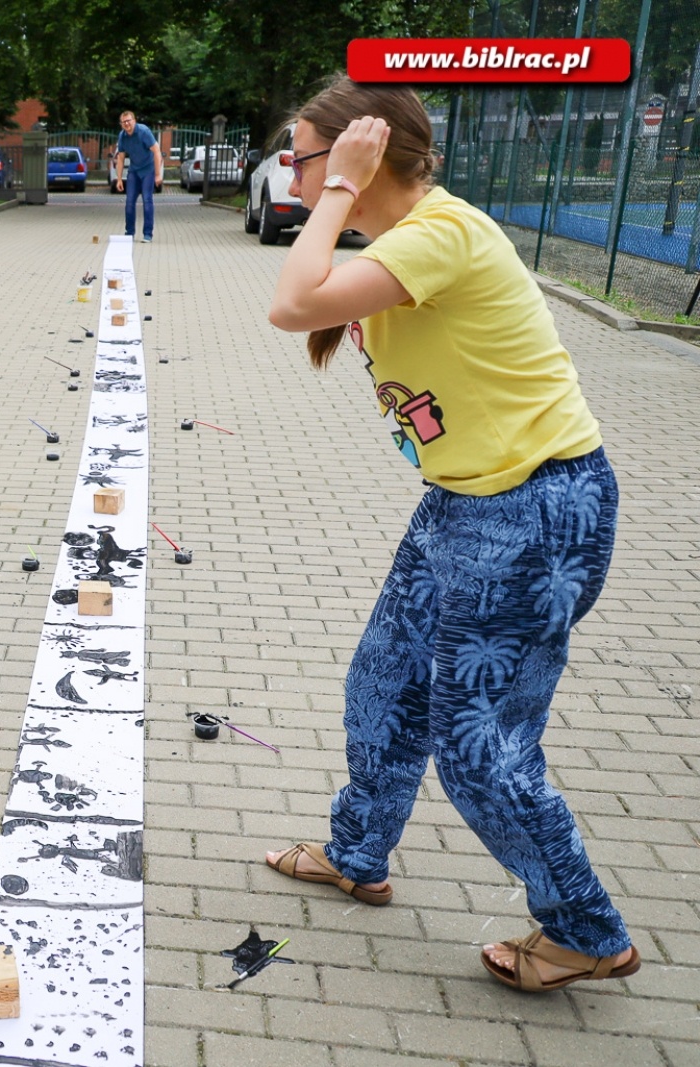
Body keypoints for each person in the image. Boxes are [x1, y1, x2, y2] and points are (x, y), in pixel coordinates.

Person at [263, 74, 638, 994]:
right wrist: (340, 191)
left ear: (360, 153)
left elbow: (290, 302)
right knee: (383, 682)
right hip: (462, 504)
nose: (289, 175)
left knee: (479, 747)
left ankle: (588, 929)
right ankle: (359, 853)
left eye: (296, 157)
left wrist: (341, 188)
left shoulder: (444, 232)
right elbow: (312, 295)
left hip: (538, 511)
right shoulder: (405, 241)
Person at [111, 111, 162, 243]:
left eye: (129, 120)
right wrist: (119, 178)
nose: (127, 124)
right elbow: (121, 158)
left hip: (148, 170)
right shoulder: (122, 136)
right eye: (124, 122)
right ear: (121, 124)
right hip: (134, 171)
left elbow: (157, 151)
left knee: (147, 200)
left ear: (134, 120)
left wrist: (157, 174)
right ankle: (129, 233)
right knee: (129, 202)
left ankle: (147, 234)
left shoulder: (144, 132)